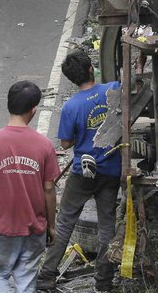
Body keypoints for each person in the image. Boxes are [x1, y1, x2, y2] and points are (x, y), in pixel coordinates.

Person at [37, 52, 121, 292]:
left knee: (64, 223)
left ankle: (46, 277)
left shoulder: (71, 106)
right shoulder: (112, 89)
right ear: (90, 69)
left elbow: (64, 143)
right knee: (107, 225)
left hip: (82, 170)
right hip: (110, 170)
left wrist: (81, 135)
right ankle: (104, 281)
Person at [0, 80, 60, 293]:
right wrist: (51, 225)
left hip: (2, 227)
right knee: (26, 278)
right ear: (34, 110)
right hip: (33, 226)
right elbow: (49, 190)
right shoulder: (44, 145)